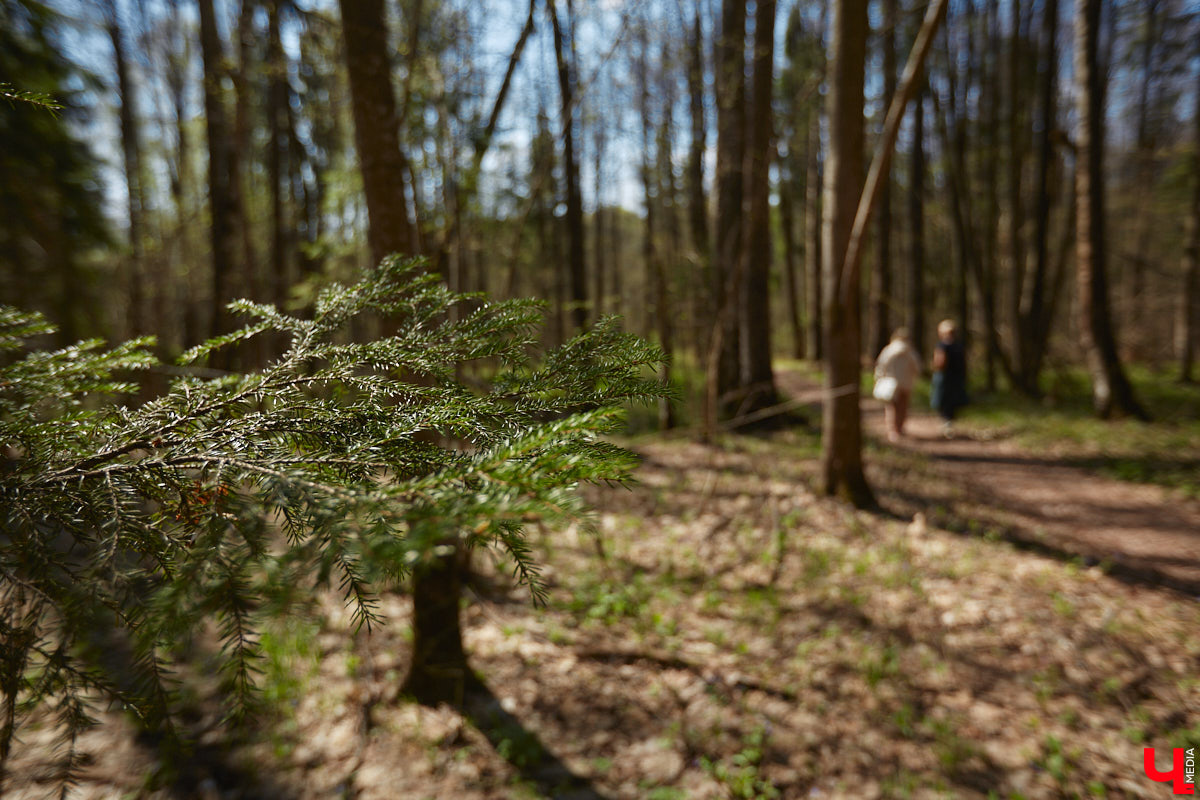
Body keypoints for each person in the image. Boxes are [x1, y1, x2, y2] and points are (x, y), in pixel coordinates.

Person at [874, 328, 922, 442]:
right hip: (906, 383)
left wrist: (879, 378)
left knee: (891, 407)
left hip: (890, 383)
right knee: (903, 407)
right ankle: (900, 428)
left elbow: (881, 365)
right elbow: (917, 367)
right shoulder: (910, 351)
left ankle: (892, 430)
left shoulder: (888, 350)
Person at [930, 319, 968, 436]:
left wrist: (935, 367)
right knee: (953, 401)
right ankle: (949, 422)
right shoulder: (960, 345)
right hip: (957, 377)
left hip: (945, 377)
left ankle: (947, 424)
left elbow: (940, 362)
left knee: (943, 400)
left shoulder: (942, 346)